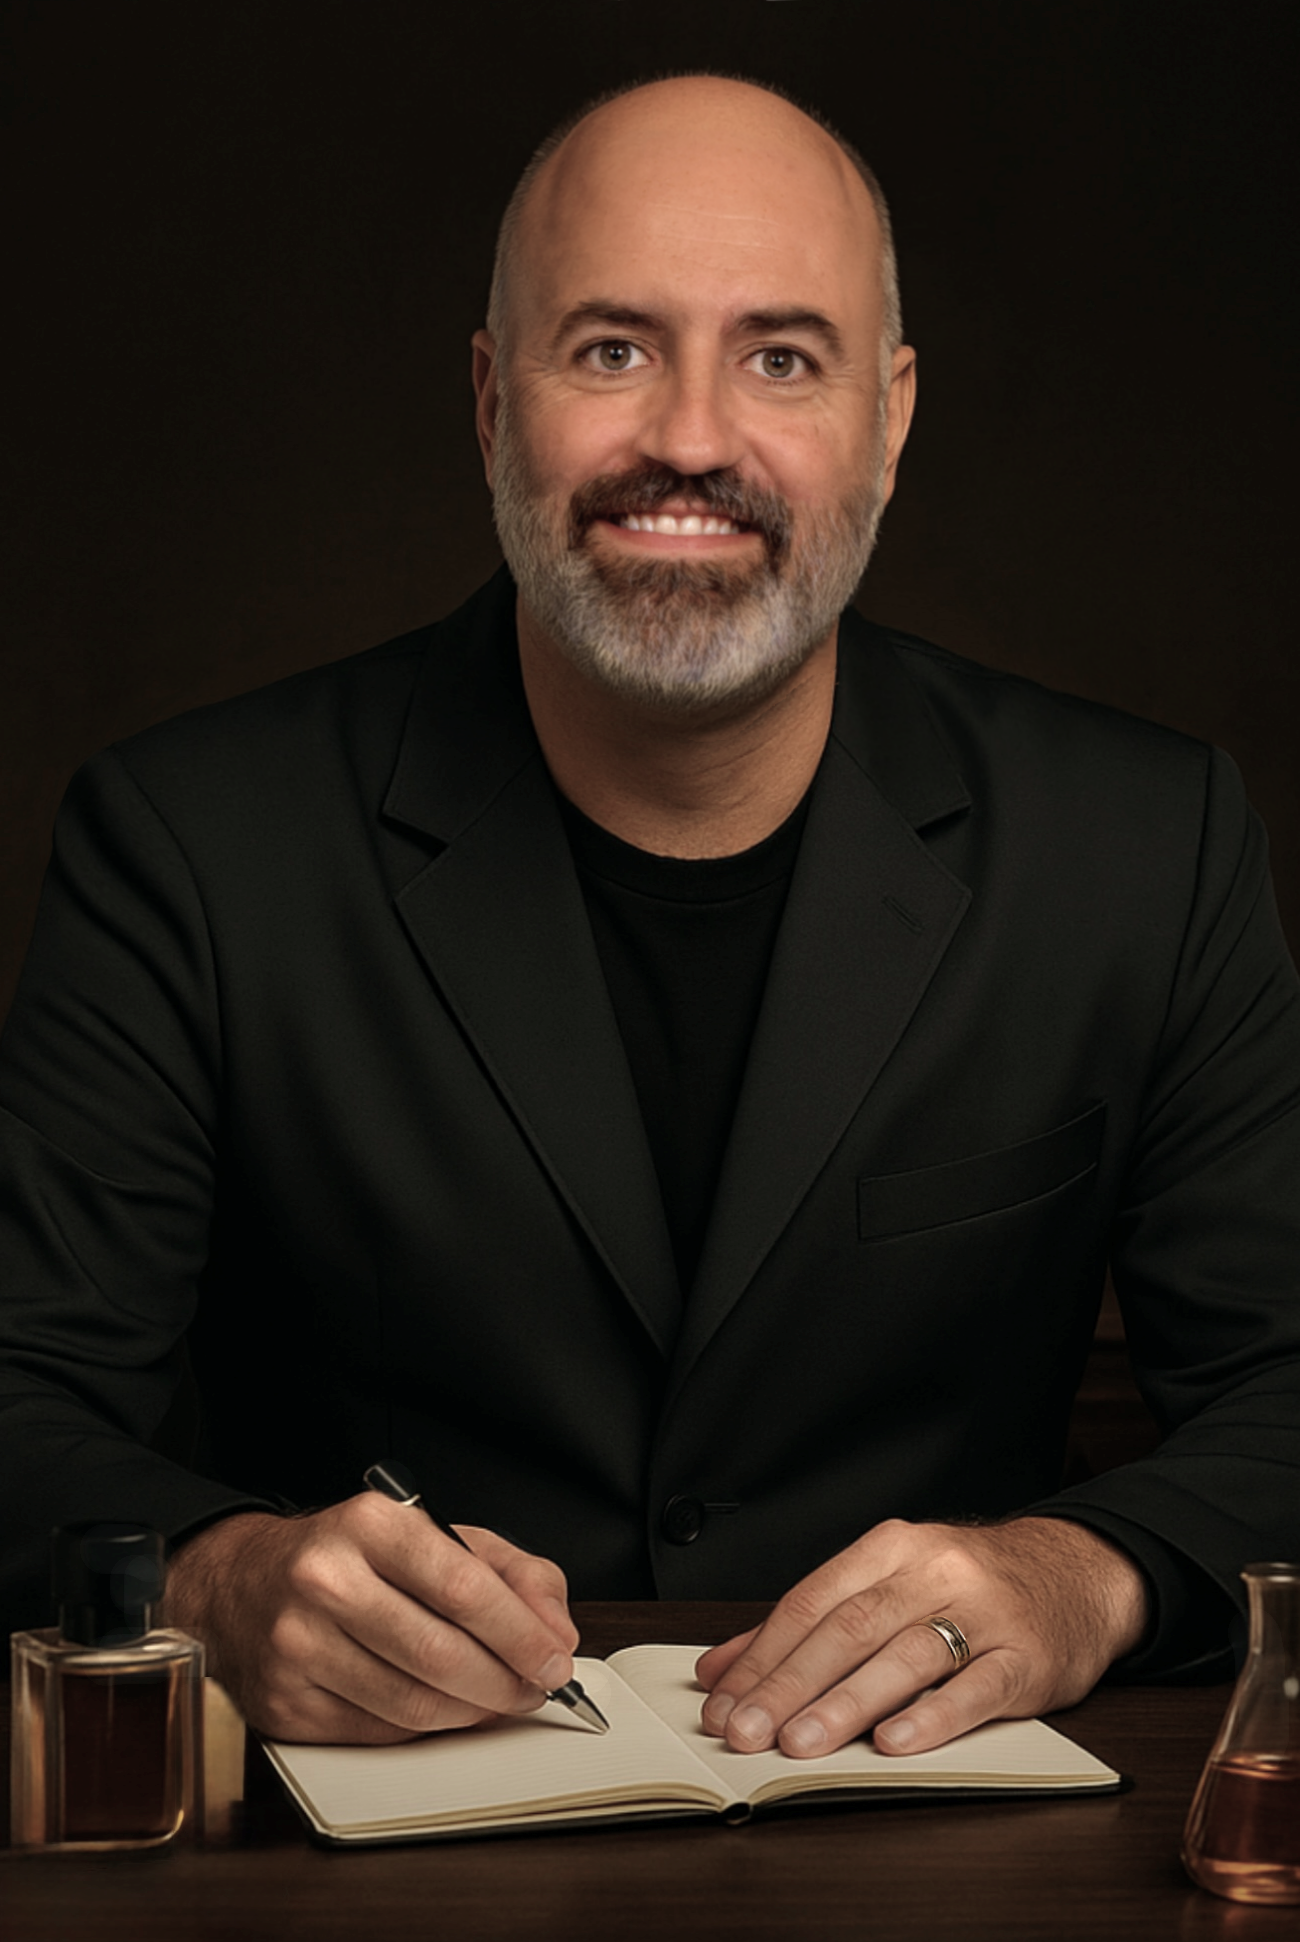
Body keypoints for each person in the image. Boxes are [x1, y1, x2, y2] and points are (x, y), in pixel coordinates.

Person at [2, 73, 1298, 1765]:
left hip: (946, 1853)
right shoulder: (185, 844)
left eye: (782, 356)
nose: (691, 435)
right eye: (611, 347)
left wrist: (1088, 1575)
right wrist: (222, 1577)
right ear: (489, 403)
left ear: (892, 419)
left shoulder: (1148, 845)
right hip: (367, 1870)